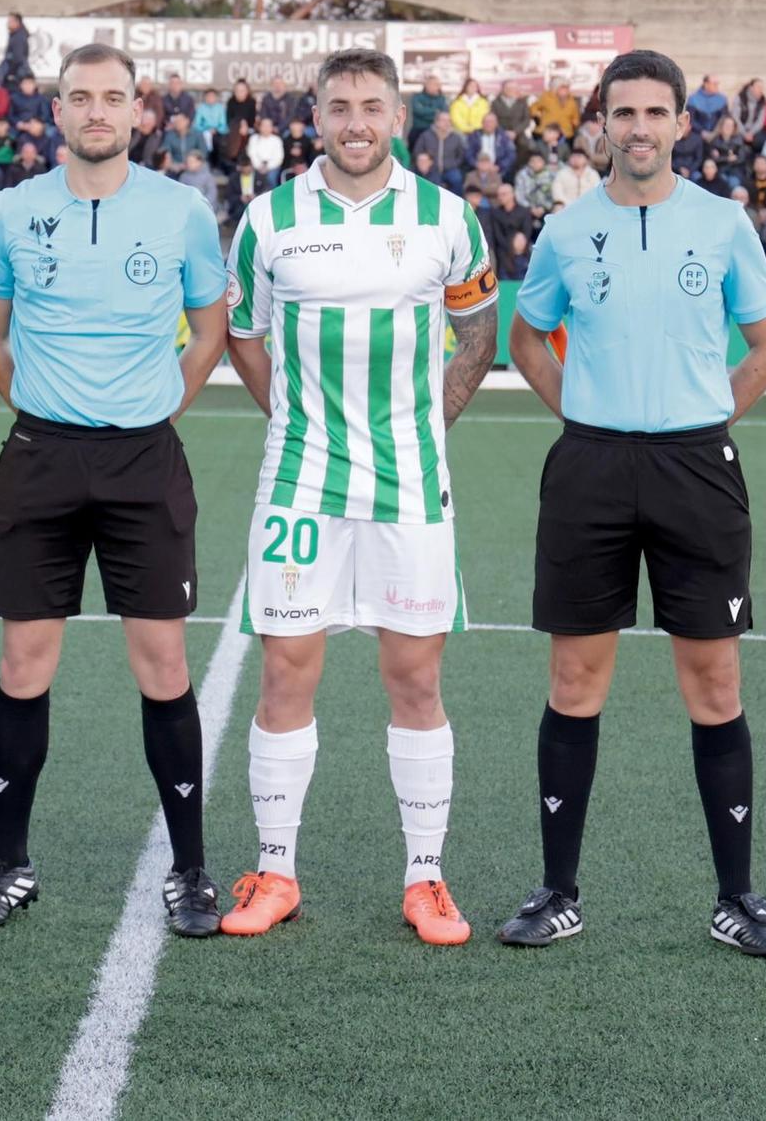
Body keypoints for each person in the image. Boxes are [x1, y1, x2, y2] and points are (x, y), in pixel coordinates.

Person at [501, 50, 766, 956]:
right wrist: (588, 417)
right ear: (602, 123)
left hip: (696, 469)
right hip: (590, 469)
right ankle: (558, 892)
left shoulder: (722, 222)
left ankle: (737, 897)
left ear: (679, 123)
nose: (637, 128)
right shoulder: (564, 227)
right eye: (622, 112)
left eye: (654, 113)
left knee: (714, 684)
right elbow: (526, 337)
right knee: (575, 682)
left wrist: (704, 421)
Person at [218, 49, 498, 944]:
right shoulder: (267, 220)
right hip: (301, 483)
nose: (355, 122)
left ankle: (426, 879)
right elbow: (245, 337)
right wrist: (296, 423)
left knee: (414, 676)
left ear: (398, 115)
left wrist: (427, 423)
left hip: (410, 485)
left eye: (371, 106)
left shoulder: (447, 219)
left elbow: (476, 331)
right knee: (286, 669)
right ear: (317, 114)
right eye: (339, 106)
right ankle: (276, 869)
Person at [0, 42, 229, 936]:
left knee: (164, 665)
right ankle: (7, 861)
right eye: (81, 97)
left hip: (144, 461)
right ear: (58, 111)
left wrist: (153, 409)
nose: (98, 112)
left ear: (139, 112)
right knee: (23, 665)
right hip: (40, 457)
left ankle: (190, 868)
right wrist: (45, 409)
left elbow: (207, 330)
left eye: (114, 98)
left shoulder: (182, 210)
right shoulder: (9, 211)